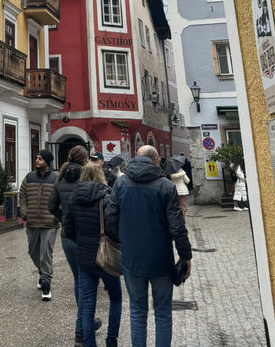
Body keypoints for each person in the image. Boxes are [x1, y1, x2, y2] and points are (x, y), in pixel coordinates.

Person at [105, 145, 192, 347]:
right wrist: (185, 256)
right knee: (163, 312)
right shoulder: (165, 186)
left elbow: (110, 217)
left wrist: (124, 239)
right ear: (155, 160)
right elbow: (177, 226)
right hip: (160, 258)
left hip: (132, 257)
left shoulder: (121, 183)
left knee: (137, 311)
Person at [63, 163, 122, 347]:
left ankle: (89, 343)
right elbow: (114, 226)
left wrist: (81, 240)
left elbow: (67, 229)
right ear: (100, 175)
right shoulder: (106, 196)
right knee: (116, 298)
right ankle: (111, 339)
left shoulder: (74, 197)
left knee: (87, 304)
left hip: (84, 257)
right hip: (106, 257)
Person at [48, 145, 101, 345]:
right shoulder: (87, 177)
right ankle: (82, 328)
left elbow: (51, 206)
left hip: (67, 237)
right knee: (88, 282)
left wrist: (65, 220)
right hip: (86, 235)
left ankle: (86, 321)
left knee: (79, 280)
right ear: (85, 160)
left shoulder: (59, 179)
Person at [19, 148, 58, 301]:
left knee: (45, 254)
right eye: (36, 158)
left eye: (40, 159)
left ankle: (46, 284)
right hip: (32, 222)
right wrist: (24, 213)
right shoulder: (29, 177)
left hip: (49, 223)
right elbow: (22, 195)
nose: (37, 161)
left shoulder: (55, 178)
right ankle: (43, 273)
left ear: (47, 162)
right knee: (33, 252)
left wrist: (56, 215)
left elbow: (60, 198)